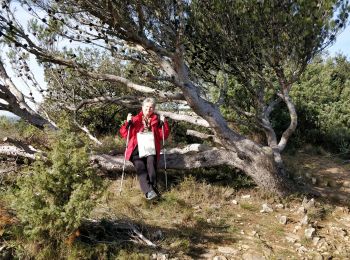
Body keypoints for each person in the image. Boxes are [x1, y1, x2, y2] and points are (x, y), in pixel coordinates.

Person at [119, 97, 170, 200]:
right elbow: (125, 134)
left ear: (154, 109)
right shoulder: (135, 119)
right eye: (146, 107)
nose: (148, 109)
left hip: (150, 149)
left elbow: (163, 136)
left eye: (151, 107)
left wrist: (164, 123)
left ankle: (152, 189)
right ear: (142, 107)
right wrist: (127, 123)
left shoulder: (157, 120)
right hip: (135, 149)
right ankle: (149, 191)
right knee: (140, 166)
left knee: (151, 164)